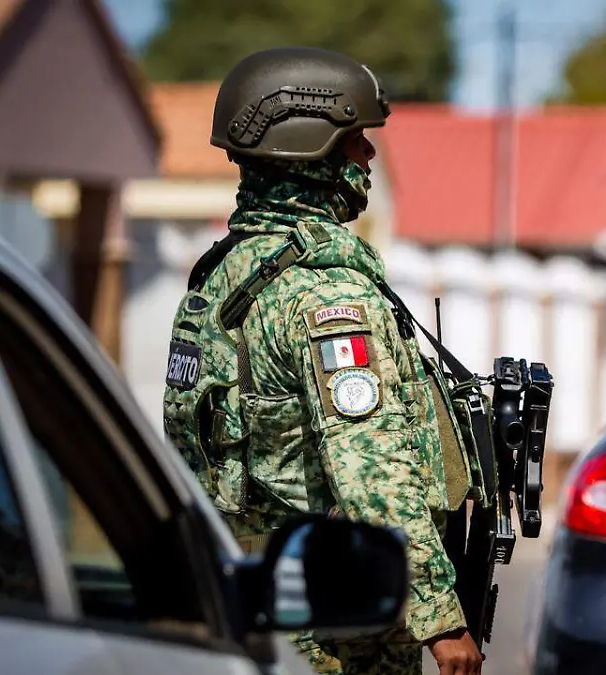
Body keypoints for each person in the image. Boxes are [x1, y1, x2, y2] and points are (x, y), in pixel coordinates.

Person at [159, 46, 483, 675]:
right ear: (311, 151)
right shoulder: (328, 295)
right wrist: (441, 620)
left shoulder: (219, 278)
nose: (368, 156)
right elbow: (372, 471)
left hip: (246, 596)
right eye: (356, 140)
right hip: (334, 626)